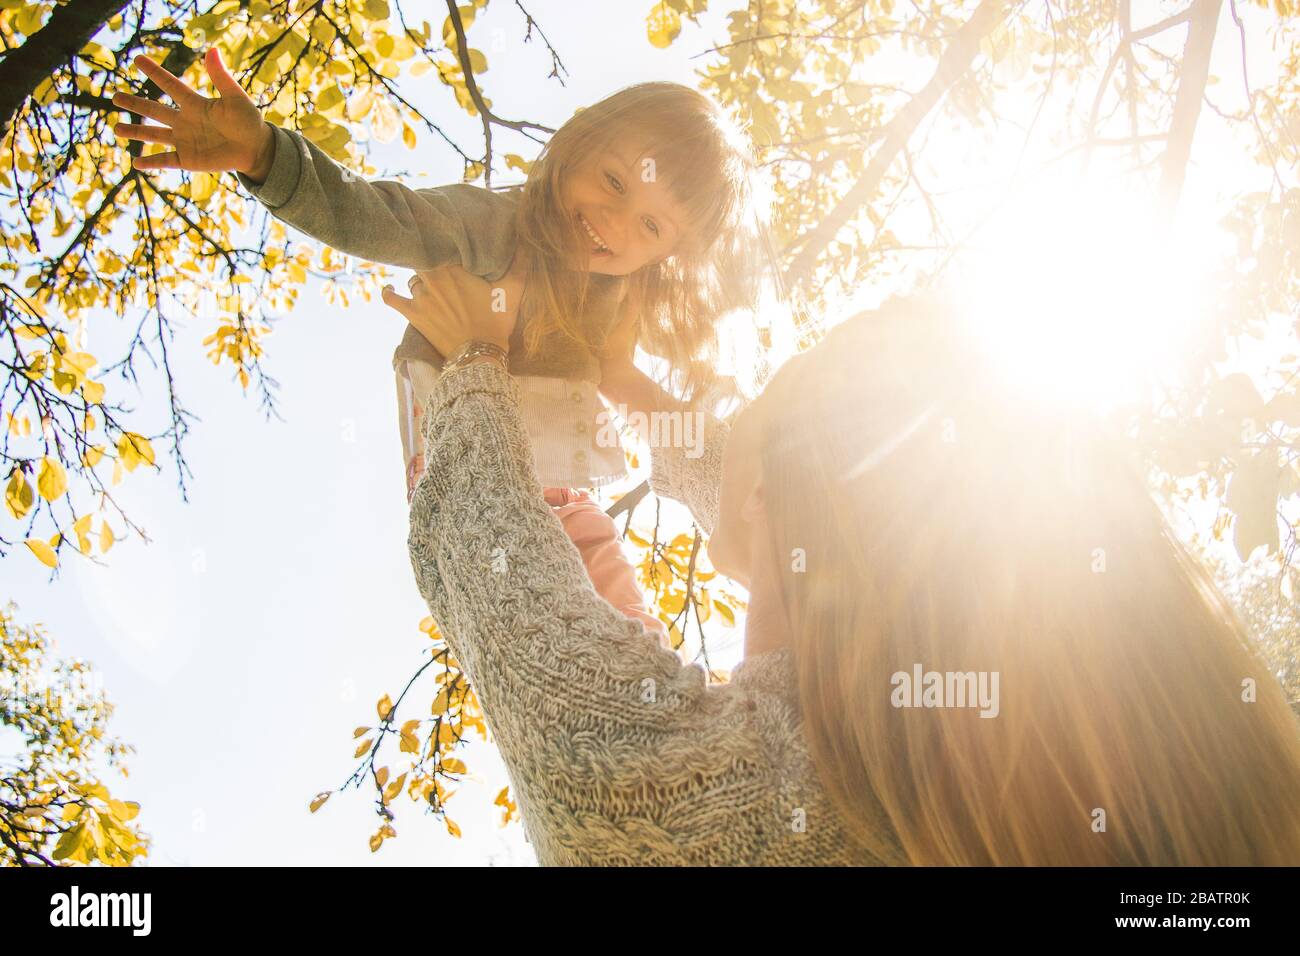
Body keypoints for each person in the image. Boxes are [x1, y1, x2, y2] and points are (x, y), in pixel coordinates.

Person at [391, 265, 1300, 866]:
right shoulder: (963, 750)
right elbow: (758, 481)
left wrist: (470, 367)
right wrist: (628, 386)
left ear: (785, 489)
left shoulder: (803, 786)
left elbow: (571, 716)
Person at [111, 48, 779, 646]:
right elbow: (376, 215)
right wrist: (265, 156)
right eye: (613, 182)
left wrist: (731, 457)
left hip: (558, 488)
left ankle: (646, 678)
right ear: (579, 145)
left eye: (650, 224)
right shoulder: (491, 225)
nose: (613, 222)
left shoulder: (615, 292)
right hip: (463, 466)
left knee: (619, 603)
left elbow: (622, 379)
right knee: (536, 588)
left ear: (666, 253)